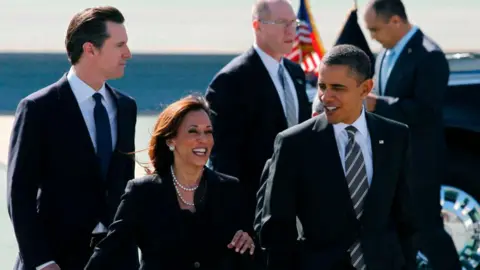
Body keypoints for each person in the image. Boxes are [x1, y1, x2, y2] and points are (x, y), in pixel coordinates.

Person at [255, 44, 422, 270]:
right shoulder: (293, 144)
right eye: (322, 86)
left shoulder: (395, 136)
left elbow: (406, 218)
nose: (325, 97)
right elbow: (276, 229)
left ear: (365, 89)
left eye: (338, 88)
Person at [7, 6, 139, 270]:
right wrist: (41, 261)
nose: (128, 53)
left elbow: (123, 185)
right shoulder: (38, 108)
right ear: (90, 49)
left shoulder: (126, 107)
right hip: (54, 260)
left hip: (115, 260)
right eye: (119, 45)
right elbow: (19, 195)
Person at [85, 95, 255, 270]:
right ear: (170, 140)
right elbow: (109, 251)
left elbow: (250, 252)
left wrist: (250, 242)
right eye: (193, 131)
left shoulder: (229, 189)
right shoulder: (143, 192)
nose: (203, 139)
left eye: (208, 131)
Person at [363, 1, 460, 269]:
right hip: (390, 163)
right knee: (398, 234)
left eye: (374, 29)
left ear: (395, 21)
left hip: (419, 163)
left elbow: (426, 112)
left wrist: (376, 104)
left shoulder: (430, 55)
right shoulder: (384, 53)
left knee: (427, 231)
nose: (372, 36)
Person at [205, 0, 311, 229]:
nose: (291, 30)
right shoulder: (231, 80)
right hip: (256, 215)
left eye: (294, 23)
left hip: (300, 211)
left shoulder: (295, 72)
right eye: (282, 23)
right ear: (258, 26)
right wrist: (237, 224)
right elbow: (224, 161)